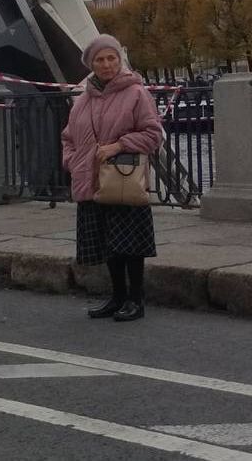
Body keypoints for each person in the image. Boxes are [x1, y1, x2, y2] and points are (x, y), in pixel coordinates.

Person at [61, 34, 163, 322]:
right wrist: (72, 161)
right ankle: (117, 297)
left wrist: (119, 145)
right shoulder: (82, 100)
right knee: (109, 245)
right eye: (100, 59)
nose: (106, 65)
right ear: (91, 64)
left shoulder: (136, 93)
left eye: (111, 58)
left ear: (120, 60)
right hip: (91, 181)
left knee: (130, 245)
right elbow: (68, 137)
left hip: (122, 179)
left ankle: (136, 300)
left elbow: (153, 134)